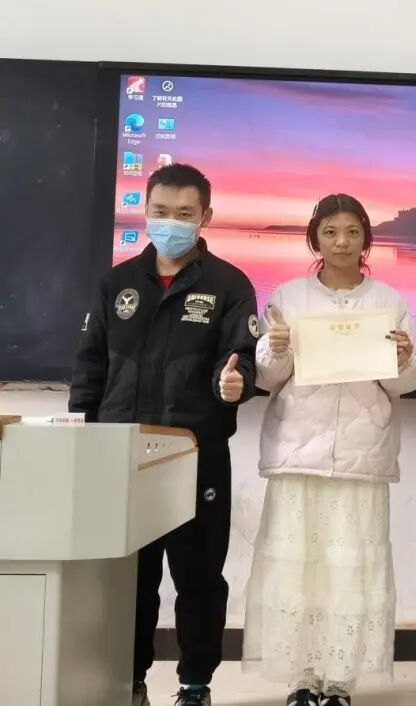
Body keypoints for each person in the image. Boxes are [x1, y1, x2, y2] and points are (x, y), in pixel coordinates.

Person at [70, 163, 258, 706]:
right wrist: (80, 435)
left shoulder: (229, 284)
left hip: (195, 455)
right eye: (160, 211)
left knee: (199, 578)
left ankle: (194, 685)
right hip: (121, 456)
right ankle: (128, 682)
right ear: (145, 211)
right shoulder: (117, 284)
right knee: (130, 579)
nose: (170, 222)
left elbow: (242, 360)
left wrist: (237, 384)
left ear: (205, 217)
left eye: (183, 213)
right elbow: (89, 369)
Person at [242, 193, 416, 706]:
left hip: (364, 453)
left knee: (351, 570)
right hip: (298, 450)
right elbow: (268, 378)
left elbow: (404, 385)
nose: (342, 242)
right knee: (297, 566)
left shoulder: (389, 301)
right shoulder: (289, 297)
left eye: (352, 232)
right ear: (314, 239)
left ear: (366, 239)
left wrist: (403, 359)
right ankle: (302, 677)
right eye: (330, 232)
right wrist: (274, 350)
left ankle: (341, 679)